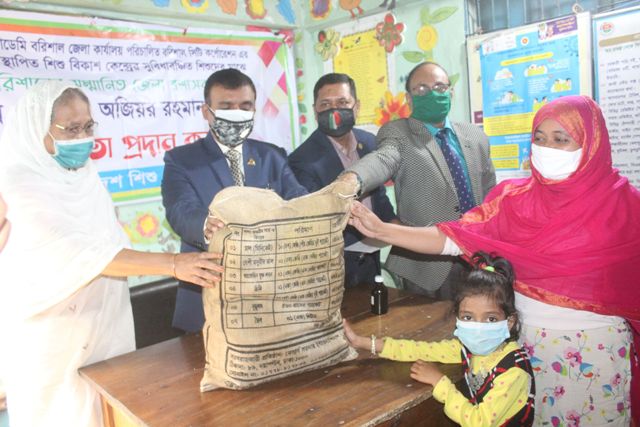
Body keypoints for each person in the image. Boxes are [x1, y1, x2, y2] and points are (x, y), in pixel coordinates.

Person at [348, 95, 639, 426]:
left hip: (593, 357)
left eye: (561, 139)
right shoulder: (514, 201)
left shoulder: (626, 207)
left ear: (591, 144)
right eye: (539, 138)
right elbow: (454, 239)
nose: (547, 148)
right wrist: (384, 231)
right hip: (526, 350)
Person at [0, 81, 224, 427]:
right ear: (36, 128)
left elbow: (108, 245)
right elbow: (81, 253)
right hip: (52, 343)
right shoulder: (18, 185)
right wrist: (173, 263)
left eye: (88, 126)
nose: (82, 137)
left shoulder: (84, 177)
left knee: (109, 413)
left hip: (103, 329)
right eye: (71, 128)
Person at [162, 68, 308, 333]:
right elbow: (180, 210)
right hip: (210, 295)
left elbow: (298, 199)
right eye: (226, 107)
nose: (237, 113)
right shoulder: (181, 160)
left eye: (245, 106)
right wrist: (206, 225)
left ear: (254, 110)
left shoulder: (272, 156)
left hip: (271, 295)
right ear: (207, 112)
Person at [339, 61, 495, 299]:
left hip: (477, 257)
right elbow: (383, 159)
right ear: (409, 99)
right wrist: (351, 180)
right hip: (426, 267)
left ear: (451, 92)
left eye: (440, 87)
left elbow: (491, 196)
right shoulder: (398, 133)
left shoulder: (476, 136)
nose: (432, 94)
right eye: (422, 89)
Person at [344, 251, 535, 426]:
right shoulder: (467, 348)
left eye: (490, 318)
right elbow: (420, 349)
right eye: (468, 317)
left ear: (509, 322)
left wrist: (440, 382)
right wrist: (364, 343)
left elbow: (479, 422)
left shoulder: (514, 372)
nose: (478, 328)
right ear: (457, 317)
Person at [288, 73, 396, 288]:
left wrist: (401, 232)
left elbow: (380, 199)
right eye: (325, 104)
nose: (334, 111)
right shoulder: (301, 160)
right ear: (315, 111)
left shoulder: (370, 143)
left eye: (342, 102)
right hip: (331, 271)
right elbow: (315, 223)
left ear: (356, 106)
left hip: (372, 264)